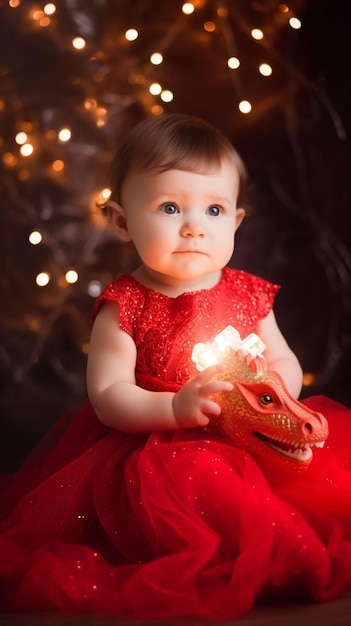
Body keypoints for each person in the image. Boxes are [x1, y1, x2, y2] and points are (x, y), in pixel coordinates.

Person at [0, 113, 350, 620]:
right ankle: (242, 557)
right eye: (169, 207)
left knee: (317, 474)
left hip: (249, 428)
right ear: (122, 222)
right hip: (159, 444)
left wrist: (273, 386)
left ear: (234, 221)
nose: (193, 226)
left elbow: (283, 359)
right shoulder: (127, 304)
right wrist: (176, 408)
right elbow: (109, 394)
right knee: (203, 478)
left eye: (213, 209)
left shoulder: (246, 294)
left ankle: (277, 548)